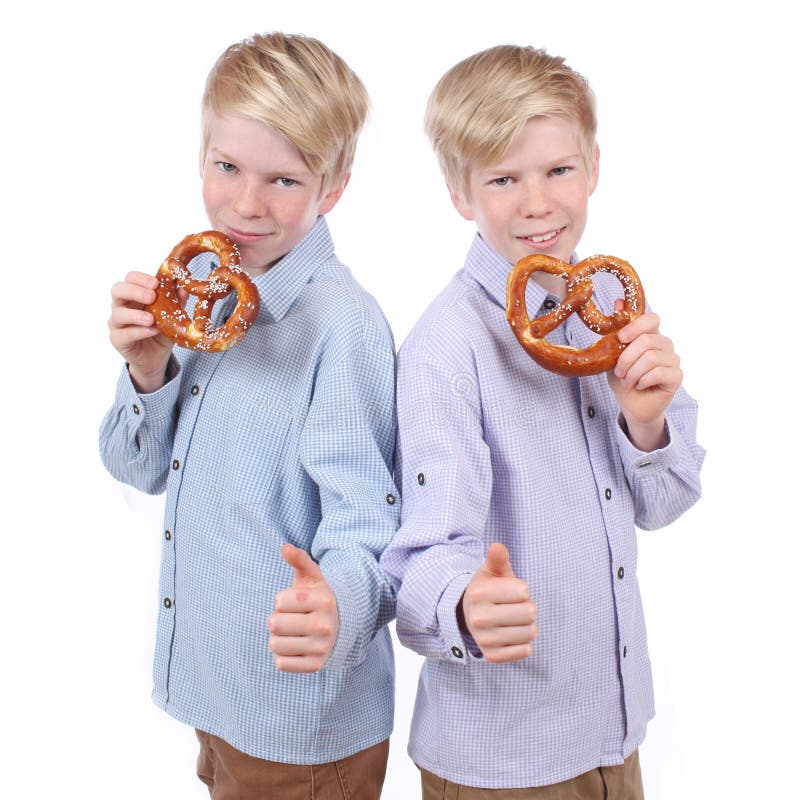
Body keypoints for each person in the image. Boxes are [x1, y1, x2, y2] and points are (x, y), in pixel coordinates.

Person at [380, 44, 705, 798]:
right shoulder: (446, 352)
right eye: (503, 179)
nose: (536, 203)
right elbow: (419, 556)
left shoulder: (610, 318)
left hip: (612, 733)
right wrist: (463, 602)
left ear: (594, 166)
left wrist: (647, 426)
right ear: (460, 193)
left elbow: (665, 502)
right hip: (503, 764)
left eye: (558, 170)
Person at [99, 32, 399, 799]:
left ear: (333, 186)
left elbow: (369, 522)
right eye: (226, 166)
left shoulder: (343, 326)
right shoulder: (205, 289)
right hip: (215, 691)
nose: (245, 203)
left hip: (299, 726)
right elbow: (137, 469)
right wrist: (147, 368)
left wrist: (339, 603)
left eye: (284, 180)